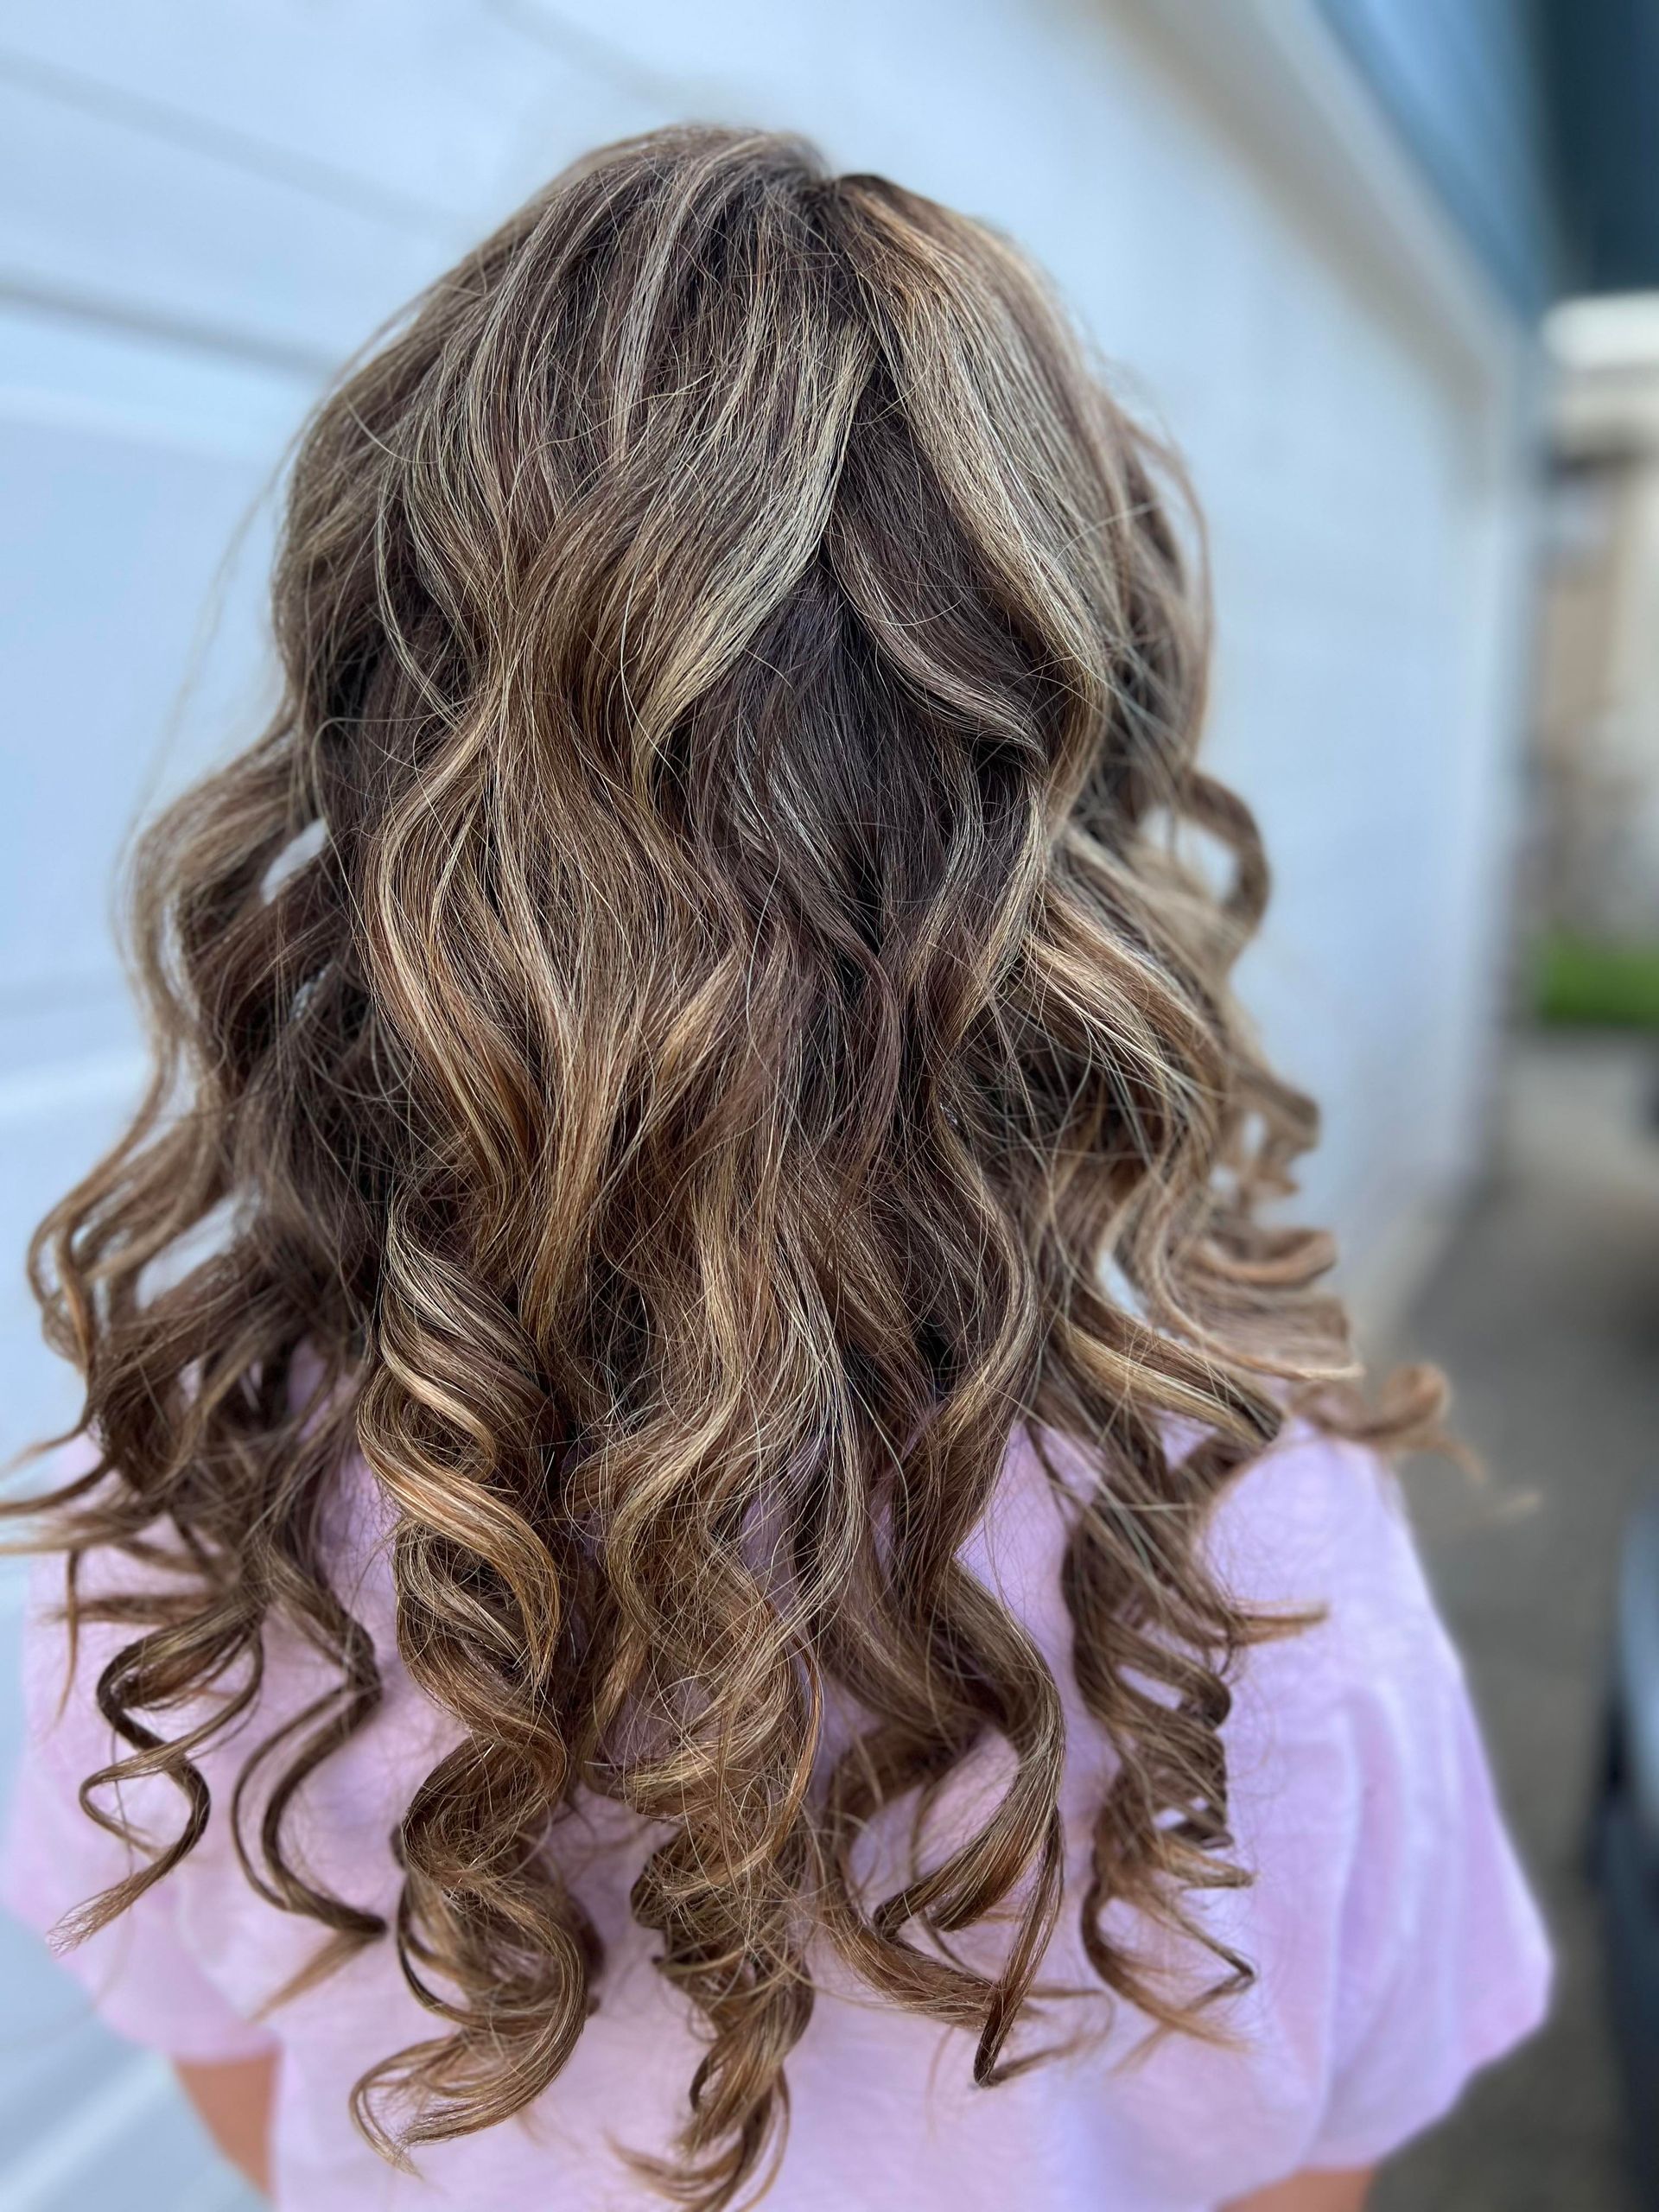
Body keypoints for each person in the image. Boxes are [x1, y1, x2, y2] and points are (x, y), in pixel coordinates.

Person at [2, 127, 1548, 2212]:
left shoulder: (202, 1511)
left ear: (378, 779)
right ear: (1062, 819)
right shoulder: (1256, 1560)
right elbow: (1306, 2167)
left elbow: (241, 2086)